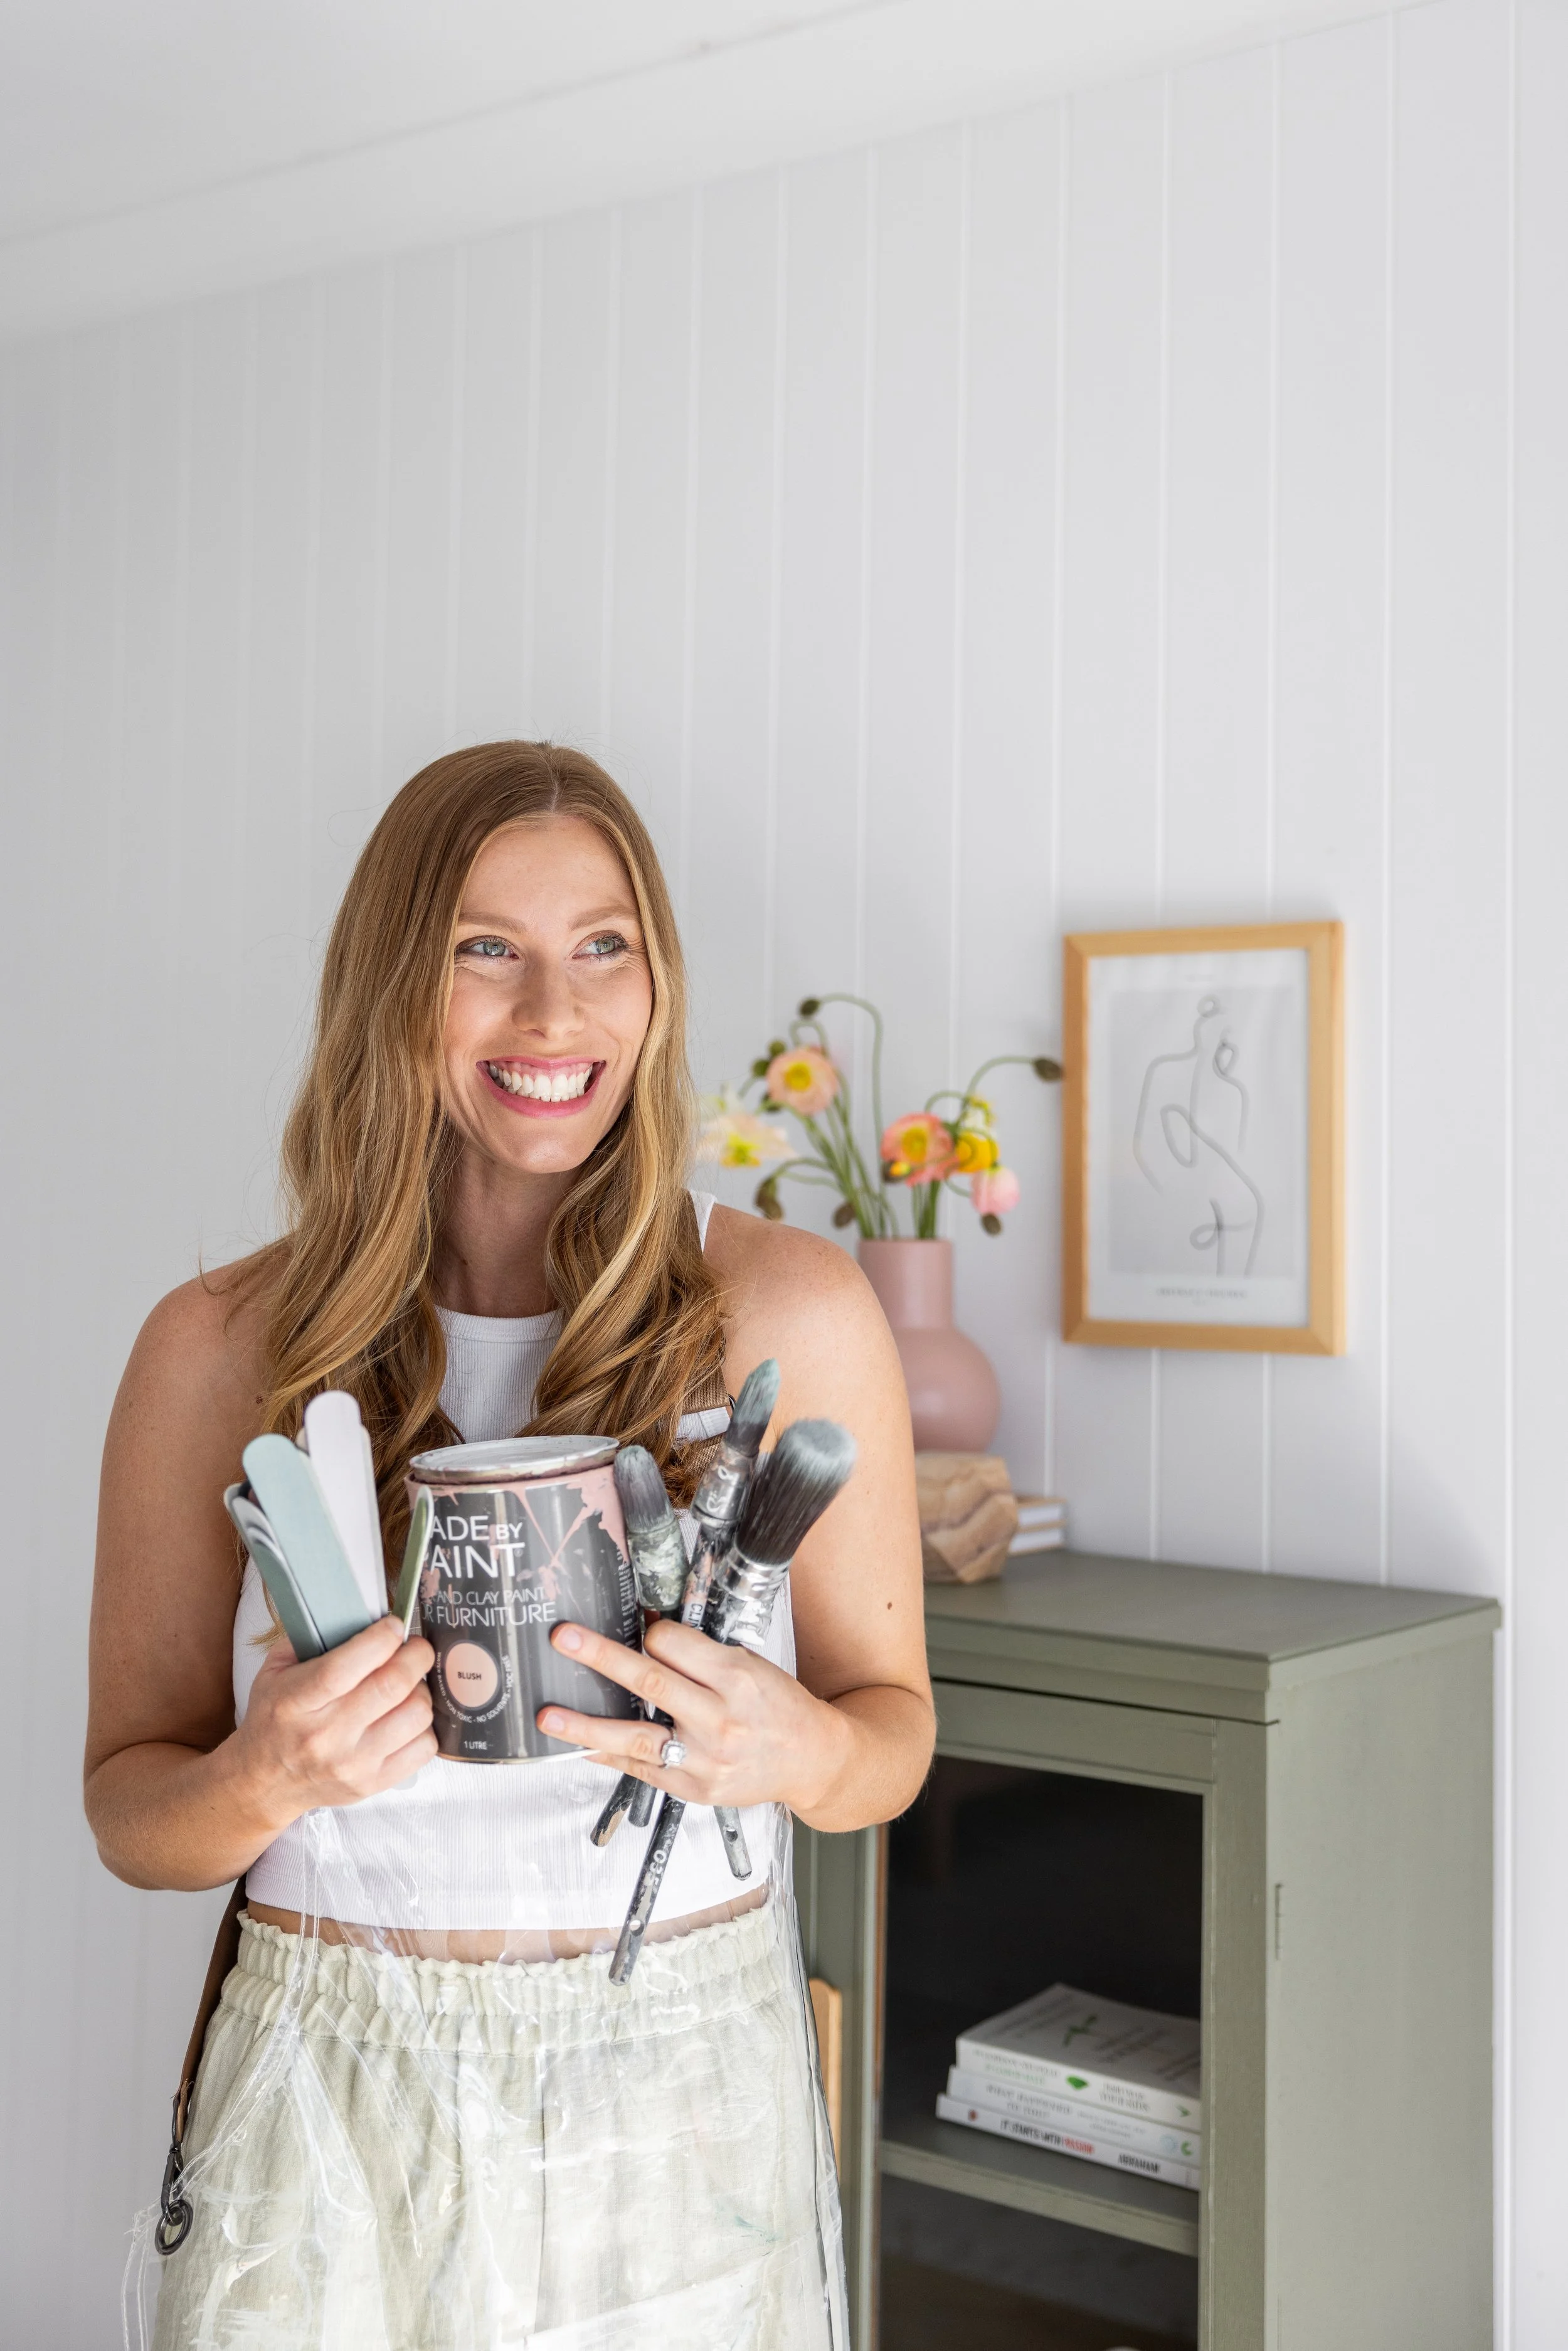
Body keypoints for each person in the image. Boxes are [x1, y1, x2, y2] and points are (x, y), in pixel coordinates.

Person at [85, 742, 934, 2351]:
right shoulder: (217, 1348)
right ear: (397, 982)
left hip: (677, 2099)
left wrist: (791, 1741)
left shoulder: (789, 1311)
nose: (555, 1015)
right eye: (488, 948)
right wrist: (269, 1773)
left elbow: (892, 1743)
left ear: (656, 982)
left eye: (601, 945)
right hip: (323, 2103)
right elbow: (133, 1806)